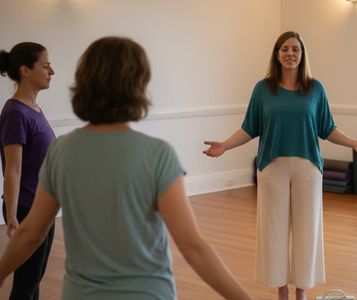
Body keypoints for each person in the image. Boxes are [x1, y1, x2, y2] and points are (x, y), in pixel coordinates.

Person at [0, 36, 253, 300]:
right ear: (138, 85)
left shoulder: (61, 151)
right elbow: (192, 247)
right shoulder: (158, 154)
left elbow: (30, 234)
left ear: (85, 84)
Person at [203, 31, 357, 300]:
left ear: (302, 54)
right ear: (276, 54)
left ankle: (302, 292)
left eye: (295, 49)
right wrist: (225, 145)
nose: (290, 54)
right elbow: (250, 128)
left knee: (307, 230)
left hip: (308, 167)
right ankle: (281, 290)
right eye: (284, 49)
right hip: (272, 167)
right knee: (273, 231)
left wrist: (353, 143)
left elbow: (327, 128)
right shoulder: (263, 89)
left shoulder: (315, 89)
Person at [0, 42, 56, 299]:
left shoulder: (33, 109)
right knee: (26, 283)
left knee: (34, 279)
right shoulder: (15, 113)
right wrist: (11, 216)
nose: (51, 71)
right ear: (25, 70)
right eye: (45, 65)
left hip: (41, 207)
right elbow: (13, 169)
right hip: (26, 210)